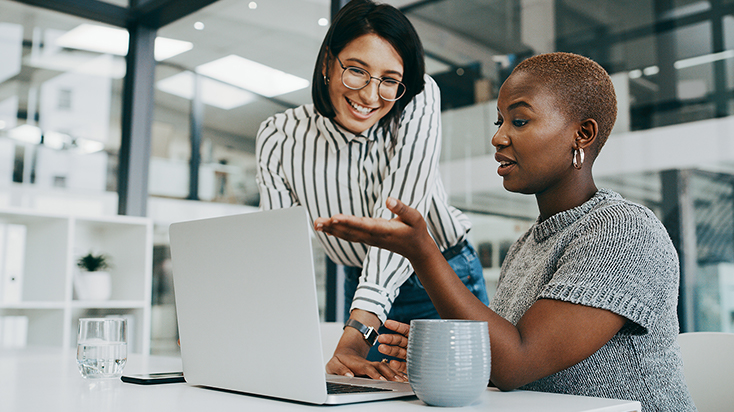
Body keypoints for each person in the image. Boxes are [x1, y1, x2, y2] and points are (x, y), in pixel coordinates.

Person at [314, 52, 697, 411]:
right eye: (499, 121)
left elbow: (516, 363)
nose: (498, 138)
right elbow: (506, 363)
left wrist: (422, 252)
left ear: (582, 134)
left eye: (519, 120)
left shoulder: (623, 230)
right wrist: (455, 352)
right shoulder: (527, 246)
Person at [255, 0, 489, 382]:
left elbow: (398, 222)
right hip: (359, 280)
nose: (369, 95)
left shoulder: (417, 97)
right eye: (356, 71)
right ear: (328, 61)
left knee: (465, 395)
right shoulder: (279, 135)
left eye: (389, 80)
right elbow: (276, 253)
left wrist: (358, 334)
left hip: (441, 277)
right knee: (370, 397)